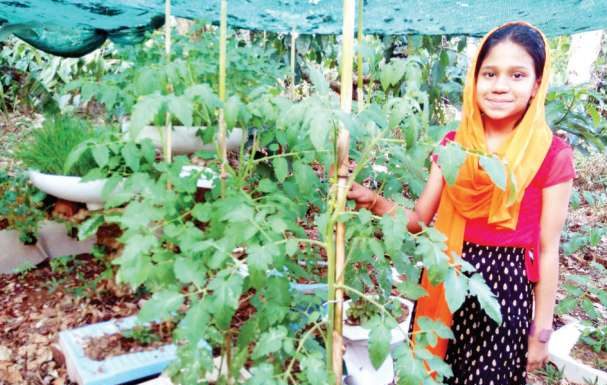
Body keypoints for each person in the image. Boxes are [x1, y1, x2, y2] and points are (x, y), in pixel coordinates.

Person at [347, 22, 575, 385]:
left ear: (536, 85)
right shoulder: (454, 145)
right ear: (474, 79)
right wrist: (372, 201)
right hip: (444, 271)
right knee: (434, 373)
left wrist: (541, 330)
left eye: (517, 75)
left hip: (505, 292)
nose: (500, 85)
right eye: (489, 73)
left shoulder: (552, 155)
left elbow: (548, 251)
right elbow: (419, 219)